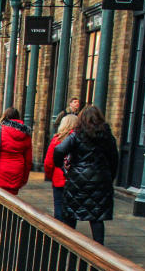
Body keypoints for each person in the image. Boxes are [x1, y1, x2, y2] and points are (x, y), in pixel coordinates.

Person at [53, 105, 119, 245]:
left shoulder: (76, 136)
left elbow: (59, 150)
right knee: (96, 217)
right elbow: (114, 159)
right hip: (101, 181)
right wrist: (109, 176)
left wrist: (63, 168)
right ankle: (99, 248)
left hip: (77, 180)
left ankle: (67, 245)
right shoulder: (107, 137)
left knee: (70, 214)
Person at [0, 107, 33, 195]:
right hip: (17, 172)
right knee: (10, 201)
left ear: (5, 116)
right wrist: (24, 179)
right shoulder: (26, 134)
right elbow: (28, 161)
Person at [44, 114, 79, 223]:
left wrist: (50, 175)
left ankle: (59, 233)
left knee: (59, 207)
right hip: (75, 179)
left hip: (59, 179)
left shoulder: (56, 140)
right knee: (72, 209)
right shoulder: (80, 140)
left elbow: (49, 162)